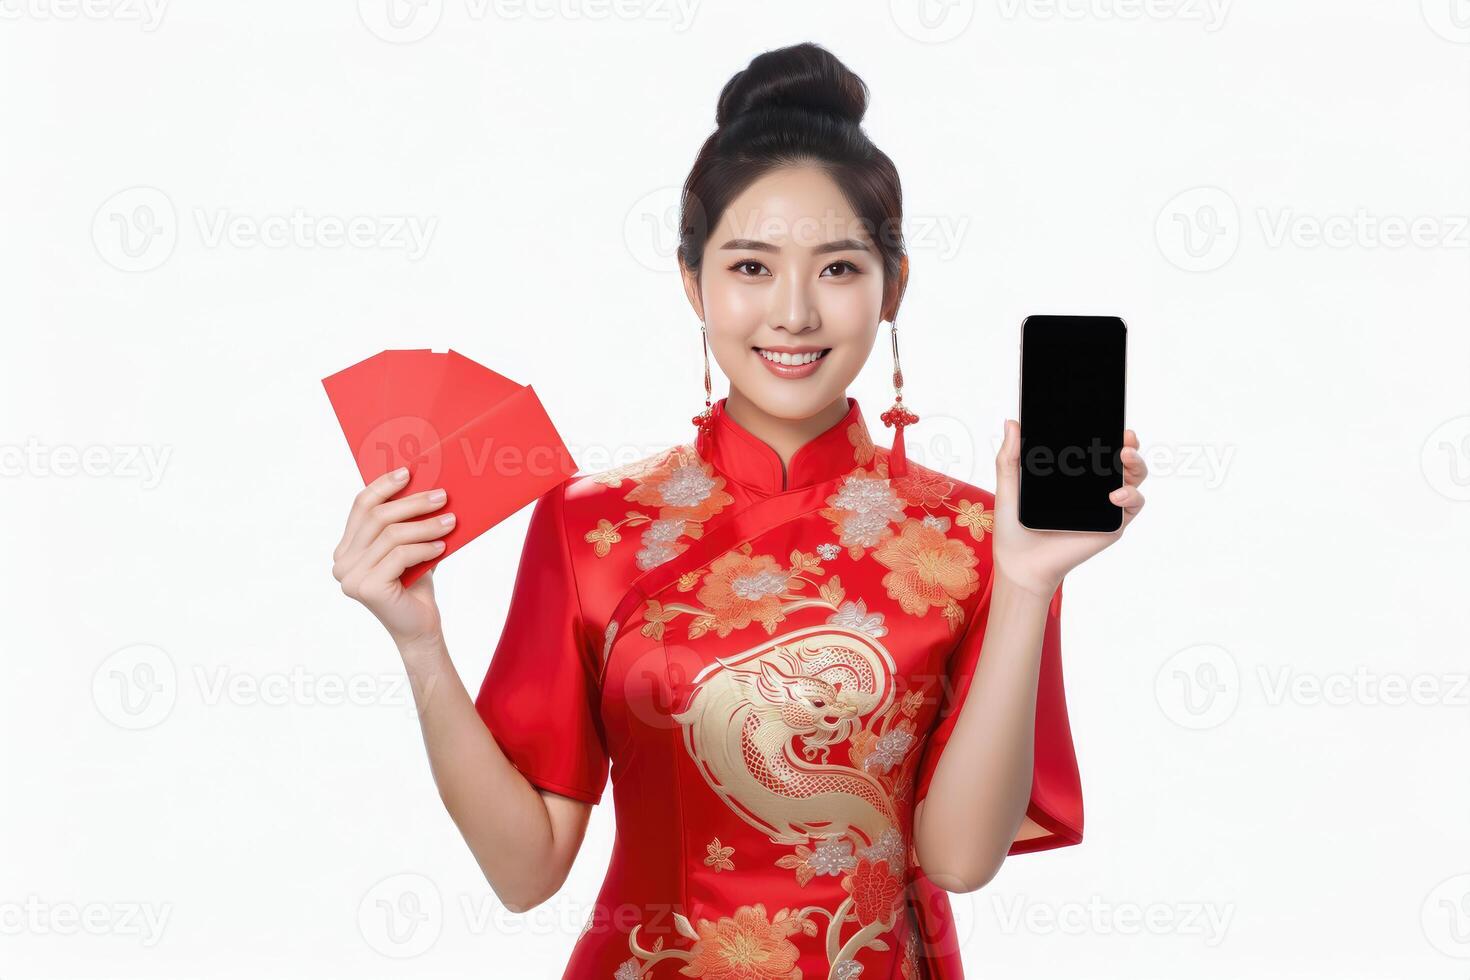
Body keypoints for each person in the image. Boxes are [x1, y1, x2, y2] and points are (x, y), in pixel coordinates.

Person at [331, 41, 1147, 980]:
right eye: (751, 268)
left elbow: (961, 859)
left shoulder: (977, 539)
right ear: (694, 284)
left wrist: (1027, 582)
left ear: (895, 288)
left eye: (838, 269)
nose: (793, 313)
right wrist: (419, 643)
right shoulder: (591, 526)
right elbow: (525, 871)